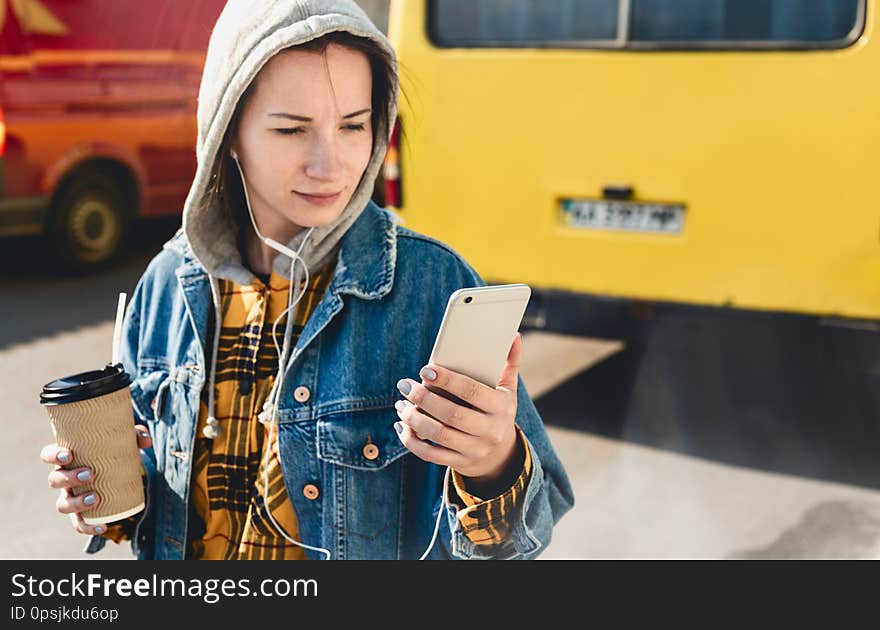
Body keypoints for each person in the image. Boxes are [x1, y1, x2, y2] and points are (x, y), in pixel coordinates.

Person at [39, 0, 574, 560]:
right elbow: (164, 496)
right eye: (293, 130)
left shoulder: (433, 285)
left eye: (354, 126)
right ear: (228, 133)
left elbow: (526, 538)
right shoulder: (167, 284)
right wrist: (106, 495)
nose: (332, 164)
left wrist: (492, 464)